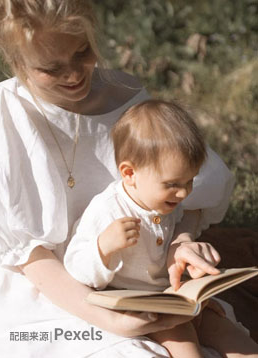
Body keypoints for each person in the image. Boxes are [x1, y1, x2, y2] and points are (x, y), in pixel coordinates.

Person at [0, 1, 255, 357]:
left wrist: (181, 242)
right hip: (51, 288)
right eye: (51, 68)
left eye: (83, 52)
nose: (73, 75)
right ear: (17, 62)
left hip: (147, 280)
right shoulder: (2, 120)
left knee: (230, 342)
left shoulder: (127, 102)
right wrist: (112, 321)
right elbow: (28, 255)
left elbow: (181, 195)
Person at [64, 99, 258, 358]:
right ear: (130, 173)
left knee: (233, 338)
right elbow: (75, 266)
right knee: (184, 343)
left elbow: (175, 239)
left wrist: (190, 267)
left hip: (174, 296)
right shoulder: (108, 210)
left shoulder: (168, 203)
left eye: (189, 181)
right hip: (141, 307)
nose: (183, 192)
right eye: (172, 184)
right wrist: (103, 247)